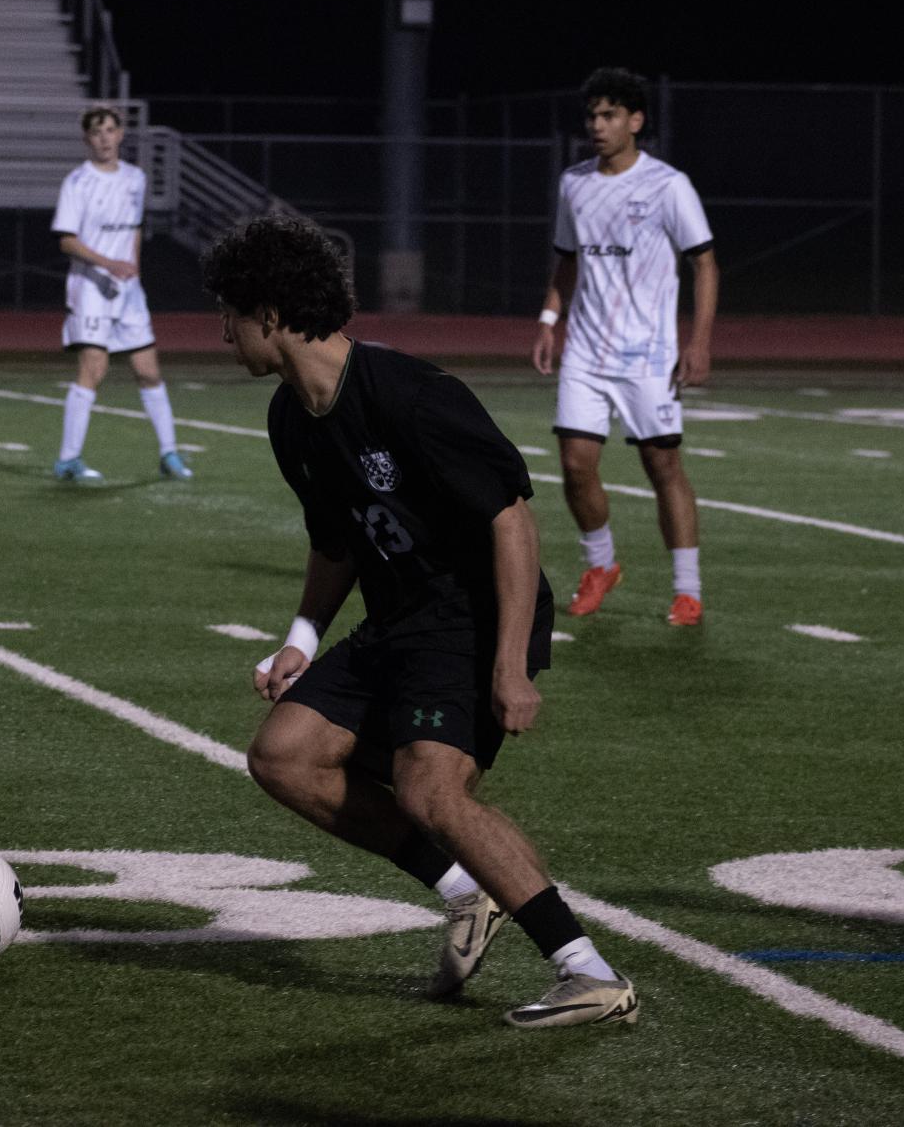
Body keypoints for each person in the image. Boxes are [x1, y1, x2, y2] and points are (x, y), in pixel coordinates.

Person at [203, 213, 636, 1029]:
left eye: (228, 312)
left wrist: (508, 667)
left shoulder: (409, 394)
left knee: (429, 788)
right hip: (397, 616)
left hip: (470, 617)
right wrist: (300, 639)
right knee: (283, 757)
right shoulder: (289, 416)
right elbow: (336, 540)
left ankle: (588, 972)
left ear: (267, 314)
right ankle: (465, 891)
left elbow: (510, 520)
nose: (220, 331)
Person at [533, 67, 719, 626]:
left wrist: (700, 341)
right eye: (592, 115)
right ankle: (601, 565)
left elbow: (705, 262)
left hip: (649, 354)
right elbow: (567, 258)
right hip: (587, 353)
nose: (597, 124)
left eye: (609, 114)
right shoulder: (575, 183)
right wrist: (548, 318)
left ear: (635, 121)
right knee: (575, 464)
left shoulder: (668, 185)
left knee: (662, 465)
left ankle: (687, 588)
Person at [50, 105, 190, 482]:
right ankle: (68, 460)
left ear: (121, 133)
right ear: (87, 139)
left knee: (148, 370)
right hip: (91, 290)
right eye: (97, 132)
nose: (105, 138)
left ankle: (169, 454)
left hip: (128, 291)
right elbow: (67, 240)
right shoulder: (77, 182)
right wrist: (109, 264)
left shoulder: (135, 178)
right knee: (93, 369)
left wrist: (134, 272)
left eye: (111, 130)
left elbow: (134, 230)